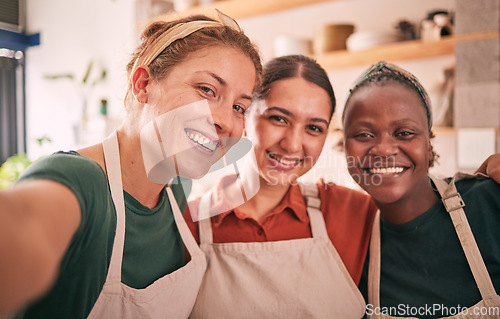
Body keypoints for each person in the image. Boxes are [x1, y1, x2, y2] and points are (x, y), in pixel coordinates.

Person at [0, 11, 262, 319]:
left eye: (238, 107)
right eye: (206, 90)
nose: (225, 122)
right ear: (143, 84)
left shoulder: (176, 193)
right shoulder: (78, 181)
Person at [184, 55, 378, 318]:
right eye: (279, 119)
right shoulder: (187, 221)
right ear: (244, 116)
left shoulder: (353, 211)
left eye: (313, 127)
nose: (293, 144)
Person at [342, 61, 500, 318]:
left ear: (429, 143)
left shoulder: (490, 204)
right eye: (363, 134)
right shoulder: (343, 239)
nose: (383, 149)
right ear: (344, 146)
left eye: (404, 133)